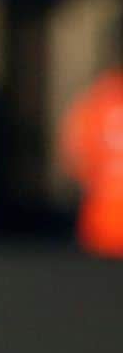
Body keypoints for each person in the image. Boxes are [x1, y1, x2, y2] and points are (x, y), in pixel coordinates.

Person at [60, 15, 123, 257]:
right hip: (102, 232)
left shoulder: (91, 103)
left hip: (100, 229)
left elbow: (75, 166)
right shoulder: (92, 104)